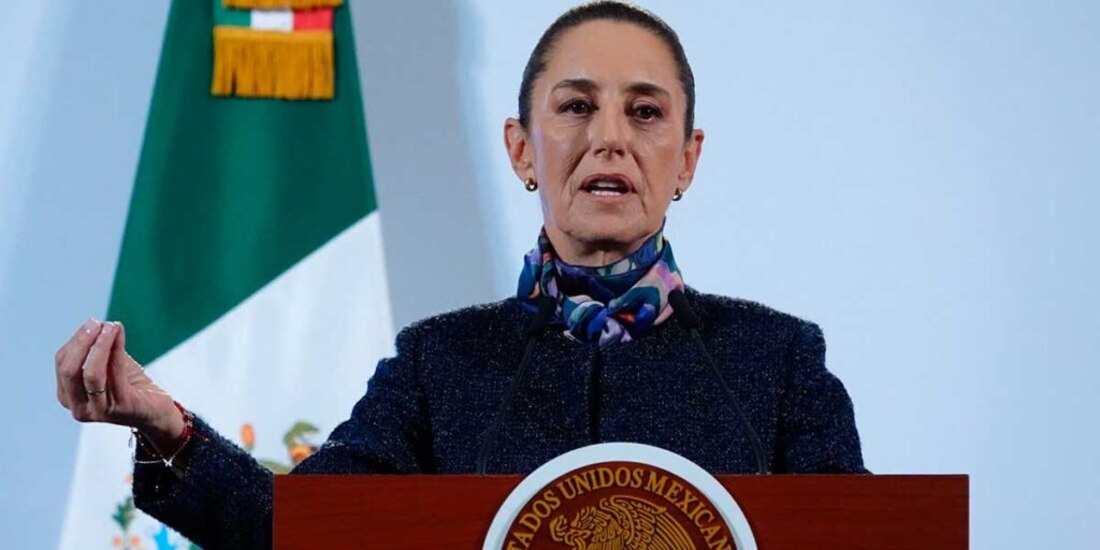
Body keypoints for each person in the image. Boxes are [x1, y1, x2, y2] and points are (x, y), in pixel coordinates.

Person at [54, 2, 866, 547]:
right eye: (576, 107)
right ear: (521, 149)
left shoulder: (779, 363)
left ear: (687, 159)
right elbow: (298, 529)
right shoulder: (437, 365)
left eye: (645, 112)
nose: (610, 138)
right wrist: (165, 427)